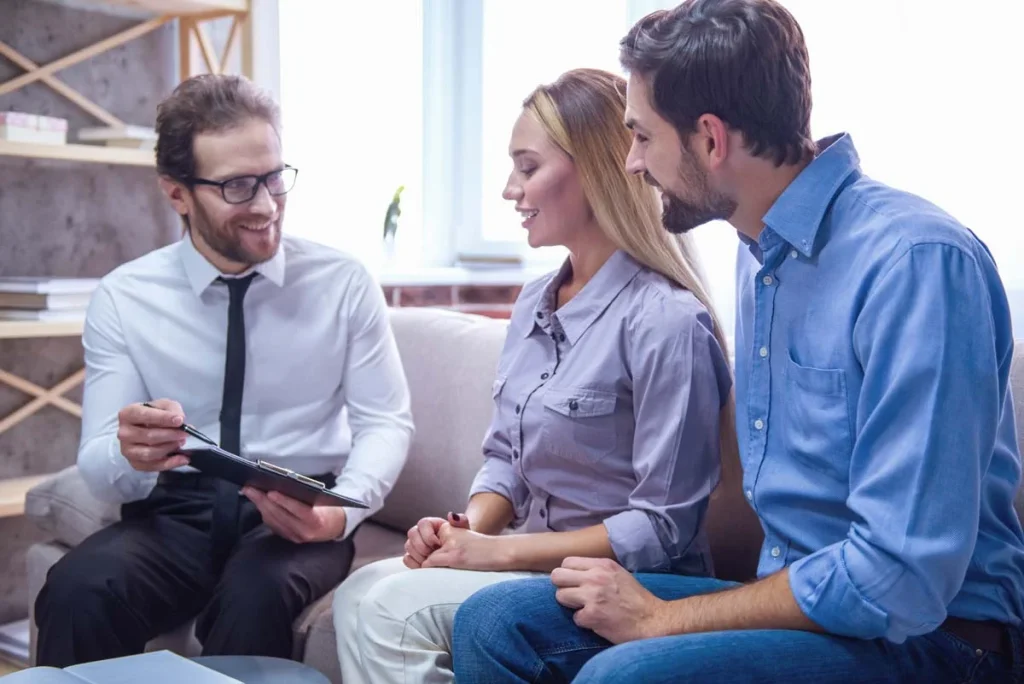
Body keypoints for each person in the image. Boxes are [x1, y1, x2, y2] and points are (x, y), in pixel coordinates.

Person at [450, 1, 1024, 683]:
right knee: (494, 622)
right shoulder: (759, 256)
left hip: (931, 639)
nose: (631, 164)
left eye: (642, 137)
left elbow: (897, 577)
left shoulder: (917, 264)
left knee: (623, 676)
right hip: (794, 612)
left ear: (711, 140)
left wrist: (662, 619)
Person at [331, 67, 736, 683]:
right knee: (362, 592)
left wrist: (497, 553)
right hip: (527, 563)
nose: (508, 190)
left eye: (527, 167)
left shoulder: (666, 323)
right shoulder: (534, 303)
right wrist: (465, 530)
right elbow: (505, 461)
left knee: (392, 612)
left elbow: (663, 527)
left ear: (598, 170)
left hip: (627, 583)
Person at [33, 73, 415, 667]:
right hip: (175, 511)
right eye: (237, 186)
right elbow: (103, 467)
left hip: (295, 513)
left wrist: (341, 512)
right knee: (77, 589)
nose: (265, 206)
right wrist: (129, 454)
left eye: (273, 178)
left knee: (255, 597)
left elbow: (386, 421)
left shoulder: (343, 283)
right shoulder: (125, 296)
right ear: (177, 193)